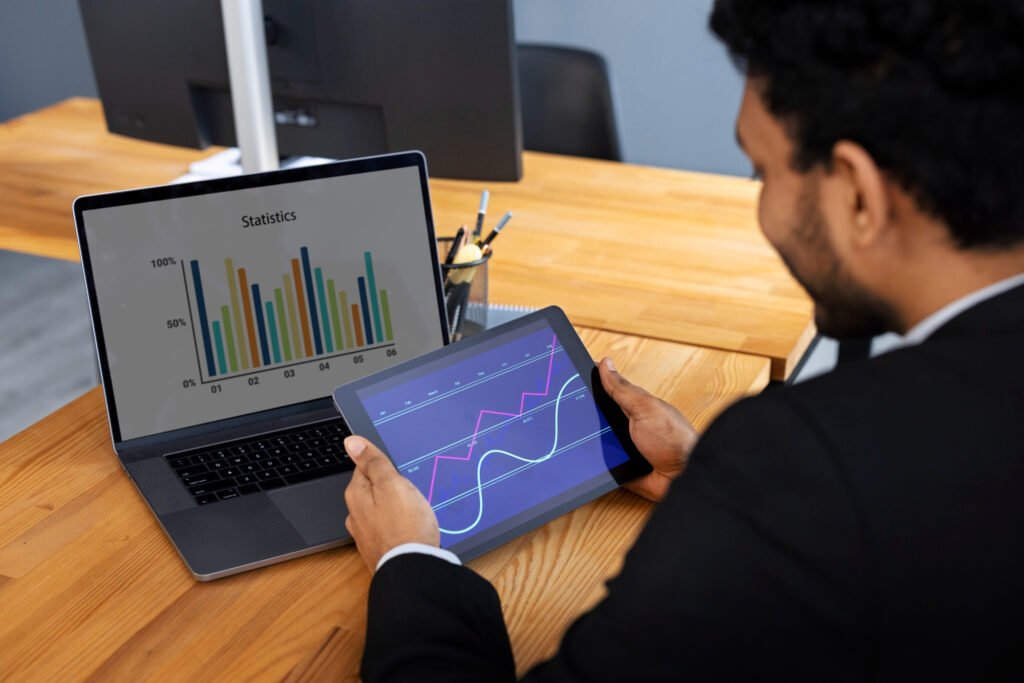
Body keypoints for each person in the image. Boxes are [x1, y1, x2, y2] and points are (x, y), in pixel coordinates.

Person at [341, 1, 1024, 680]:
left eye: (762, 172)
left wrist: (410, 561)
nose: (763, 207)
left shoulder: (805, 466)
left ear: (858, 196)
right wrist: (705, 481)